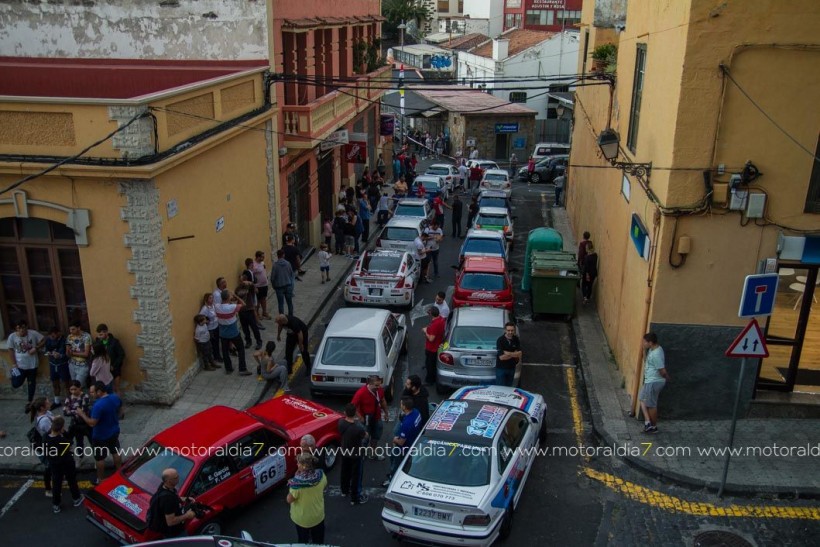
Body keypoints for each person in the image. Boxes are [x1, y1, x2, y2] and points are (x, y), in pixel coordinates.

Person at [76, 380, 123, 485]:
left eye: (93, 392)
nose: (91, 394)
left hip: (100, 435)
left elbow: (92, 423)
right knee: (115, 451)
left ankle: (101, 479)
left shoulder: (98, 405)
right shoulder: (115, 397)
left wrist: (82, 414)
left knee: (100, 458)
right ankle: (119, 471)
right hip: (114, 431)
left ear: (100, 391)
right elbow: (120, 409)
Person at [44, 416, 83, 513]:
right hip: (66, 463)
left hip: (54, 463)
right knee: (71, 480)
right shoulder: (63, 441)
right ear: (61, 428)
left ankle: (56, 504)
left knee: (56, 483)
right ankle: (76, 498)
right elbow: (70, 442)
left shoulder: (45, 437)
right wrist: (64, 432)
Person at [287, 452, 327, 544]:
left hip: (302, 519)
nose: (297, 464)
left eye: (298, 463)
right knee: (318, 541)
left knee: (303, 541)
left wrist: (293, 481)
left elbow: (289, 499)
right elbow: (324, 486)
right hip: (318, 516)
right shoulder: (321, 475)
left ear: (304, 466)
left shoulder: (297, 484)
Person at [383, 397, 422, 487]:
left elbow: (401, 442)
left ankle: (392, 480)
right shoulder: (416, 412)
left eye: (401, 404)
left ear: (404, 407)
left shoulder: (407, 424)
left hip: (404, 447)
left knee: (395, 463)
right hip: (413, 442)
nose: (400, 405)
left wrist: (394, 439)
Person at [8, 320, 45, 412]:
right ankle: (13, 376)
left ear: (26, 328)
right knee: (16, 383)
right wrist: (13, 363)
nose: (22, 331)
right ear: (17, 329)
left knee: (31, 383)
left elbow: (43, 340)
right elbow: (10, 350)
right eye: (19, 329)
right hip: (19, 365)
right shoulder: (12, 336)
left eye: (23, 328)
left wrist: (36, 348)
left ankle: (29, 402)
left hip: (32, 364)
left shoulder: (33, 333)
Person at [148, 468, 196, 538]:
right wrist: (187, 515)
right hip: (174, 533)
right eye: (176, 477)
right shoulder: (168, 499)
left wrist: (185, 499)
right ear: (169, 481)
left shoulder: (164, 487)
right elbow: (171, 522)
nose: (179, 478)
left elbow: (174, 497)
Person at [215, 289, 252, 375]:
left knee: (225, 352)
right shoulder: (232, 307)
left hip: (223, 334)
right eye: (230, 296)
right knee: (241, 349)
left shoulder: (217, 307)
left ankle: (228, 368)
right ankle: (242, 369)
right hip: (233, 332)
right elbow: (243, 304)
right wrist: (236, 296)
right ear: (228, 297)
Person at [351, 375, 389, 460]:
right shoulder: (361, 393)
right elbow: (352, 406)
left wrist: (386, 413)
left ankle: (372, 454)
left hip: (377, 417)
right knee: (364, 438)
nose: (378, 387)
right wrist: (360, 417)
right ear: (369, 384)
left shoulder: (379, 390)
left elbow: (382, 401)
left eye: (379, 385)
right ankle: (361, 455)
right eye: (376, 385)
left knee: (376, 436)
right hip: (366, 418)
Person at [338, 403, 369, 505]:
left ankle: (344, 491)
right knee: (356, 476)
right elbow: (365, 436)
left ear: (345, 413)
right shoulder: (358, 427)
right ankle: (355, 497)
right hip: (356, 455)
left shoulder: (341, 423)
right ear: (355, 413)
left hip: (344, 452)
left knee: (344, 472)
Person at [639, 333, 669, 434]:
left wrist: (667, 377)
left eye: (645, 342)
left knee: (651, 405)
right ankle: (648, 422)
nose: (643, 343)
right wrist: (644, 350)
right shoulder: (653, 349)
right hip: (649, 380)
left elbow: (662, 370)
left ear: (650, 343)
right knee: (642, 398)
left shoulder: (656, 354)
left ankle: (654, 427)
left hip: (654, 382)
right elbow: (646, 361)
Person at [29, 397, 54, 496]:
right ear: (42, 408)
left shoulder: (47, 413)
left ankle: (56, 478)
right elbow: (53, 433)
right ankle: (48, 489)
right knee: (49, 467)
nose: (50, 403)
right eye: (47, 403)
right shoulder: (44, 421)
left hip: (48, 445)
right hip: (45, 448)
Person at [95, 324, 126, 400]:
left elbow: (121, 354)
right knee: (105, 389)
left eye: (101, 334)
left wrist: (114, 366)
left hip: (114, 369)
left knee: (116, 388)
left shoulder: (114, 342)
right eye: (99, 334)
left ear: (106, 332)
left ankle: (119, 406)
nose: (100, 336)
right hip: (104, 371)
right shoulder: (98, 342)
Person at [44, 326, 70, 410]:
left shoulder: (65, 340)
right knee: (55, 383)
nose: (52, 337)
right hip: (52, 364)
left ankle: (69, 402)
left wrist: (60, 355)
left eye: (53, 335)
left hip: (62, 364)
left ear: (58, 333)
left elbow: (67, 354)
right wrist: (48, 353)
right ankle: (57, 401)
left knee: (66, 384)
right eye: (51, 336)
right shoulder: (48, 340)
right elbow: (46, 349)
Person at [236, 271, 263, 351]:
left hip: (249, 310)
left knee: (254, 327)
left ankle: (259, 341)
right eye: (241, 280)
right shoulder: (238, 288)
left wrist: (250, 283)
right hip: (242, 311)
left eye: (243, 280)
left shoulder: (250, 287)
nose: (241, 282)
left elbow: (256, 291)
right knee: (245, 328)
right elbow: (236, 296)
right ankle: (248, 341)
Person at [63, 380, 92, 453]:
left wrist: (72, 410)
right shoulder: (69, 398)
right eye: (71, 389)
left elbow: (83, 410)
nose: (73, 391)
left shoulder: (85, 396)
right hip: (75, 423)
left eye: (75, 389)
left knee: (92, 440)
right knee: (79, 442)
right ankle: (80, 456)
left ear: (79, 388)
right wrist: (76, 411)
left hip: (85, 422)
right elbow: (65, 412)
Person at [422, 307, 446, 386]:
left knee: (430, 365)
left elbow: (431, 339)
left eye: (429, 312)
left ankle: (430, 380)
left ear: (431, 314)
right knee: (432, 363)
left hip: (431, 348)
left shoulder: (435, 324)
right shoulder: (441, 319)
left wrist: (426, 331)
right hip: (437, 346)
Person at [66, 322, 92, 387]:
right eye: (70, 329)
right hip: (72, 364)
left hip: (83, 365)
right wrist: (68, 352)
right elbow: (67, 352)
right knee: (74, 386)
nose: (71, 331)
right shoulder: (69, 337)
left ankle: (84, 396)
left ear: (78, 328)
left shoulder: (86, 336)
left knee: (79, 386)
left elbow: (86, 354)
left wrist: (73, 353)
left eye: (73, 329)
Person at [495, 322, 522, 387]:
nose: (510, 332)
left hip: (512, 368)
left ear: (514, 330)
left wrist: (507, 353)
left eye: (512, 330)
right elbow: (502, 357)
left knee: (509, 388)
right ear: (505, 330)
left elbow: (519, 354)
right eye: (508, 330)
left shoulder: (516, 339)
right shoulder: (500, 340)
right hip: (501, 369)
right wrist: (514, 354)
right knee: (500, 388)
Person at [271, 249, 295, 316]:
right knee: (289, 303)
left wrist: (273, 285)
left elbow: (272, 277)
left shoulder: (275, 265)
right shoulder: (288, 263)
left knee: (280, 303)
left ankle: (282, 318)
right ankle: (291, 317)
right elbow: (291, 274)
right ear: (283, 255)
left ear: (277, 255)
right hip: (288, 285)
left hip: (279, 287)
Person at [199, 293, 222, 363]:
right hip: (210, 329)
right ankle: (215, 357)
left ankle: (217, 356)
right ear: (206, 299)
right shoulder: (205, 308)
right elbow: (200, 317)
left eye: (212, 298)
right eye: (210, 298)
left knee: (216, 342)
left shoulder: (213, 306)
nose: (212, 299)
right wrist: (206, 321)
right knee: (213, 344)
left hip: (216, 326)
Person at [252, 250, 271, 320]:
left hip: (264, 285)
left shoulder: (262, 263)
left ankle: (264, 312)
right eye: (262, 257)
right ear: (257, 257)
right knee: (258, 301)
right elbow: (252, 275)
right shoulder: (253, 265)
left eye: (263, 256)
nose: (263, 258)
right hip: (258, 286)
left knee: (264, 299)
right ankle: (257, 313)